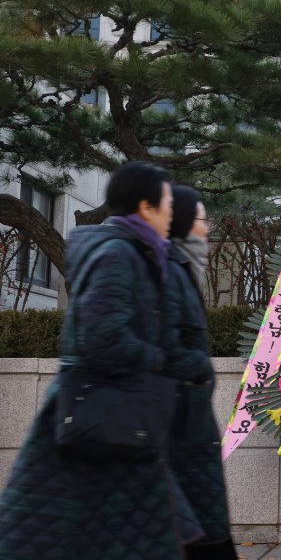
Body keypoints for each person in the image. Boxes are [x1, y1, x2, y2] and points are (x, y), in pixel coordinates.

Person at [0, 162, 192, 559]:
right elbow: (103, 337)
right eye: (167, 203)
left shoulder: (132, 251)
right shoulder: (118, 254)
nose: (173, 212)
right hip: (107, 418)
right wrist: (158, 359)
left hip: (115, 417)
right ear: (145, 206)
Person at [162, 185, 237, 560]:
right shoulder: (170, 273)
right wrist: (198, 372)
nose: (207, 230)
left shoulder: (182, 269)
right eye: (202, 220)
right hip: (178, 436)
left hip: (189, 434)